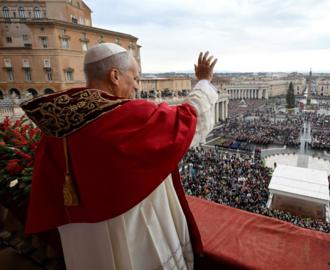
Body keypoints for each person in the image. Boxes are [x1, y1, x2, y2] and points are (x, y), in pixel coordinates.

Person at [20, 43, 219, 270]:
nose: (135, 86)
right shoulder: (128, 116)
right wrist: (204, 81)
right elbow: (188, 118)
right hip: (134, 230)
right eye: (134, 78)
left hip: (83, 239)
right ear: (115, 75)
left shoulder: (55, 126)